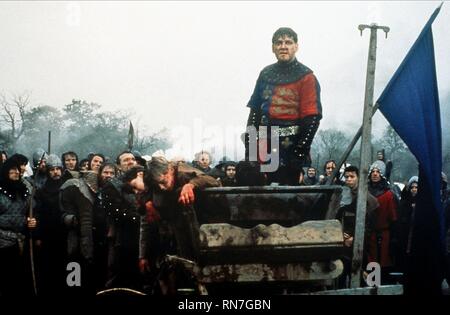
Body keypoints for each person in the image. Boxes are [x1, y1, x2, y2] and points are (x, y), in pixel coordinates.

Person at [245, 27, 322, 185]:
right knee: (258, 195)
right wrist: (251, 148)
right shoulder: (265, 74)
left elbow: (312, 118)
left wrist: (299, 152)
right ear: (273, 47)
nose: (283, 46)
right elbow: (254, 114)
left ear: (296, 46)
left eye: (288, 42)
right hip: (263, 144)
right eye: (279, 43)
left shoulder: (307, 77)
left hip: (291, 146)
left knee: (287, 198)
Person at [335, 165, 378, 288]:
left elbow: (370, 225)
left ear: (359, 178)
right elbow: (337, 219)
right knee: (341, 275)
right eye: (347, 176)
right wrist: (341, 234)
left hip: (363, 245)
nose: (349, 179)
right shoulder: (342, 196)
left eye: (352, 176)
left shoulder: (368, 200)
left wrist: (355, 238)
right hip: (344, 245)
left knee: (364, 277)